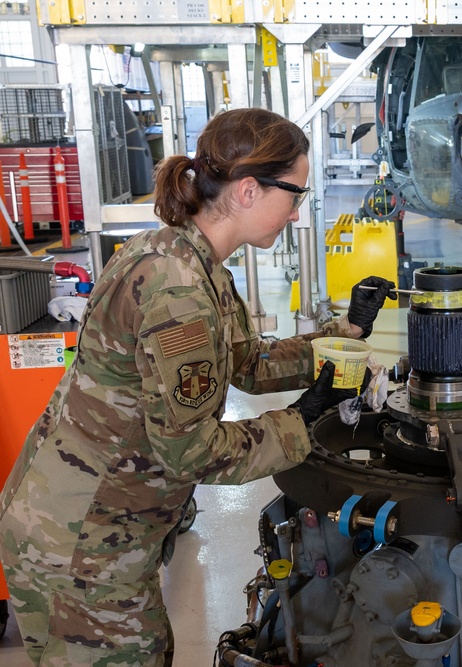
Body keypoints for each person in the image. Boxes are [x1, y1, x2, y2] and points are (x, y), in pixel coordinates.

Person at [0, 107, 395, 667]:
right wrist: (303, 421)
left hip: (98, 519)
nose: (297, 213)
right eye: (295, 195)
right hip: (80, 539)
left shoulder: (189, 259)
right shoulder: (177, 289)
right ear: (249, 190)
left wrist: (345, 333)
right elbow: (192, 454)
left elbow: (247, 364)